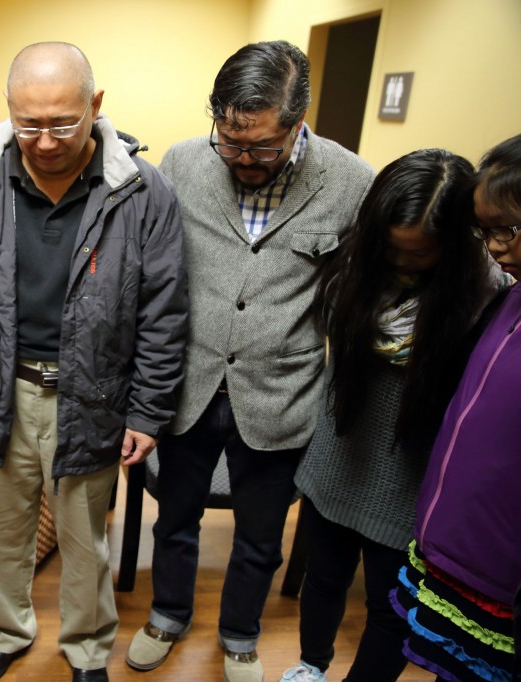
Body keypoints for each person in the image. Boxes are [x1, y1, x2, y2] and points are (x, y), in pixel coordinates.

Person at [0, 41, 188, 682]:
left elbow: (164, 313)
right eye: (28, 123)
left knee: (86, 543)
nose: (43, 141)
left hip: (93, 397)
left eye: (62, 123)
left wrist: (148, 411)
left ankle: (88, 649)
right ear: (8, 110)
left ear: (95, 106)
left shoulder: (142, 193)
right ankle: (6, 634)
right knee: (0, 535)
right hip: (1, 390)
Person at [124, 40, 374, 682]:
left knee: (262, 537)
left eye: (261, 146)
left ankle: (240, 634)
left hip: (282, 393)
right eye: (230, 140)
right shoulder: (181, 163)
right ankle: (168, 616)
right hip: (188, 386)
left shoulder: (351, 182)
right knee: (173, 518)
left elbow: (365, 287)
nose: (242, 157)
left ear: (299, 122)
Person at [279, 149, 506, 682]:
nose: (402, 262)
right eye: (392, 248)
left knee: (391, 608)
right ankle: (311, 666)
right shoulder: (353, 269)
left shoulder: (485, 299)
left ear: (452, 245)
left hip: (410, 481)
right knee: (323, 581)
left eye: (420, 254)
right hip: (337, 460)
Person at [391, 133, 521, 682]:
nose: (494, 246)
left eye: (507, 229)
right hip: (450, 546)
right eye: (484, 230)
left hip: (500, 570)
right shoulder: (511, 296)